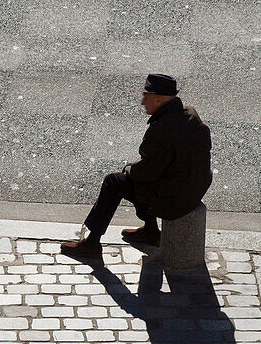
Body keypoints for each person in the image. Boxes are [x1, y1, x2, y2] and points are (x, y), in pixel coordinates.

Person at [61, 73, 212, 261]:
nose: (142, 102)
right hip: (193, 189)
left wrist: (129, 169)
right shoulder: (189, 114)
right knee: (143, 180)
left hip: (176, 199)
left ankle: (91, 243)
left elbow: (147, 172)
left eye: (145, 97)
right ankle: (151, 230)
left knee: (114, 182)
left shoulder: (162, 129)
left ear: (158, 99)